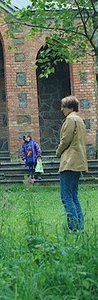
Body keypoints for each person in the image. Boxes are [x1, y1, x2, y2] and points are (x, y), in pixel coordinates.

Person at [56, 95, 88, 232]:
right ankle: (80, 228)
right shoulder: (80, 120)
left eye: (64, 106)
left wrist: (58, 152)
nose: (62, 109)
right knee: (74, 196)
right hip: (79, 161)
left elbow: (65, 140)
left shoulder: (70, 120)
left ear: (70, 107)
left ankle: (73, 228)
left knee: (66, 196)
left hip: (69, 161)